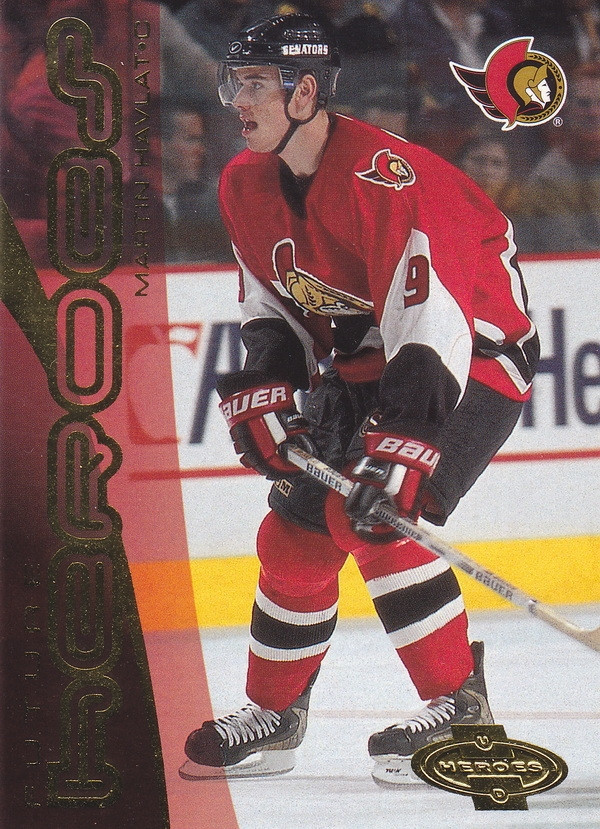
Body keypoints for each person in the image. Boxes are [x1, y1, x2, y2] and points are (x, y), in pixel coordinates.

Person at [179, 13, 539, 786]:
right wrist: (270, 388)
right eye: (234, 82)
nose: (236, 100)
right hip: (367, 360)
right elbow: (271, 304)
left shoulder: (387, 178)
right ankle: (275, 715)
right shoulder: (244, 181)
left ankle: (460, 706)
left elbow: (433, 321)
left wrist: (401, 448)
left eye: (254, 84)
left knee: (374, 514)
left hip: (474, 354)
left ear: (305, 92)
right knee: (292, 536)